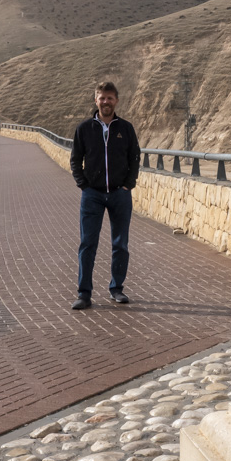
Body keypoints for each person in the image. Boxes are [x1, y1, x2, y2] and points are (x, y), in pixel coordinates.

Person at [70, 81, 141, 309]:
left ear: (116, 101)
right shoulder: (84, 129)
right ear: (96, 100)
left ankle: (116, 289)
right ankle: (84, 294)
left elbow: (135, 157)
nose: (106, 102)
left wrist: (128, 184)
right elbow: (75, 159)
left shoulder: (126, 129)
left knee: (120, 244)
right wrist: (83, 185)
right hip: (92, 195)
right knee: (87, 244)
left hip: (120, 194)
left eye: (110, 98)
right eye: (102, 98)